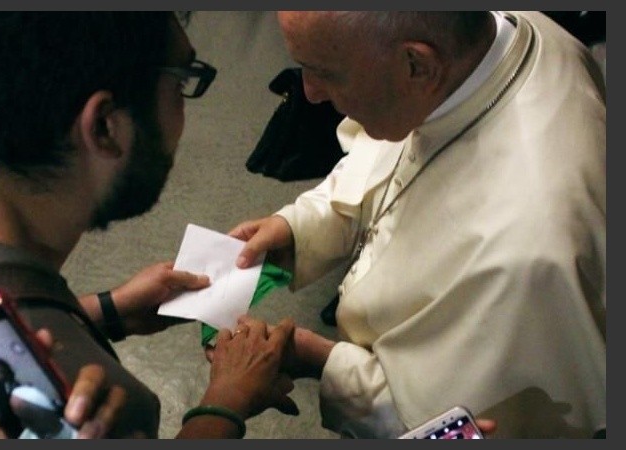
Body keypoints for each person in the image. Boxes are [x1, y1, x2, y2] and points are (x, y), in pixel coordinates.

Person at [0, 12, 298, 438]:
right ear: (103, 127)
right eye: (180, 81)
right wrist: (224, 404)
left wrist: (106, 311)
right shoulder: (88, 413)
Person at [228, 11, 605, 438]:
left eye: (324, 73)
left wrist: (321, 360)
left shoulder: (523, 255)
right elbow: (393, 159)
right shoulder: (484, 43)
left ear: (416, 66)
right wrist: (301, 226)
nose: (309, 93)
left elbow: (449, 426)